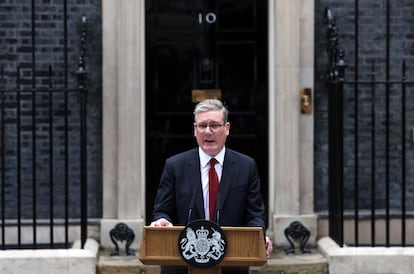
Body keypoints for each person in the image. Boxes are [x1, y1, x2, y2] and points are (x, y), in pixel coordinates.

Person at [150, 99, 272, 274]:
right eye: (202, 126)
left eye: (214, 125)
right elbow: (162, 210)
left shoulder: (246, 166)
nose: (208, 131)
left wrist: (259, 235)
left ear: (227, 128)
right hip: (181, 264)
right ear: (195, 130)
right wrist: (162, 221)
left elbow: (254, 213)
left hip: (231, 262)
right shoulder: (175, 166)